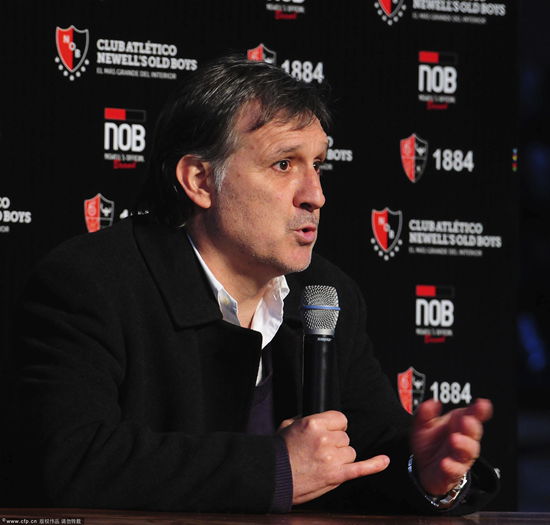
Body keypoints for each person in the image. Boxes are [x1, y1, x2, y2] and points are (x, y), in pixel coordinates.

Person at [11, 55, 499, 514]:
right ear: (200, 180)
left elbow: (366, 451)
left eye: (319, 165)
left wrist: (428, 472)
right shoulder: (91, 281)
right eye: (284, 164)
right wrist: (277, 468)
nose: (316, 196)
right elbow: (69, 461)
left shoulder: (326, 294)